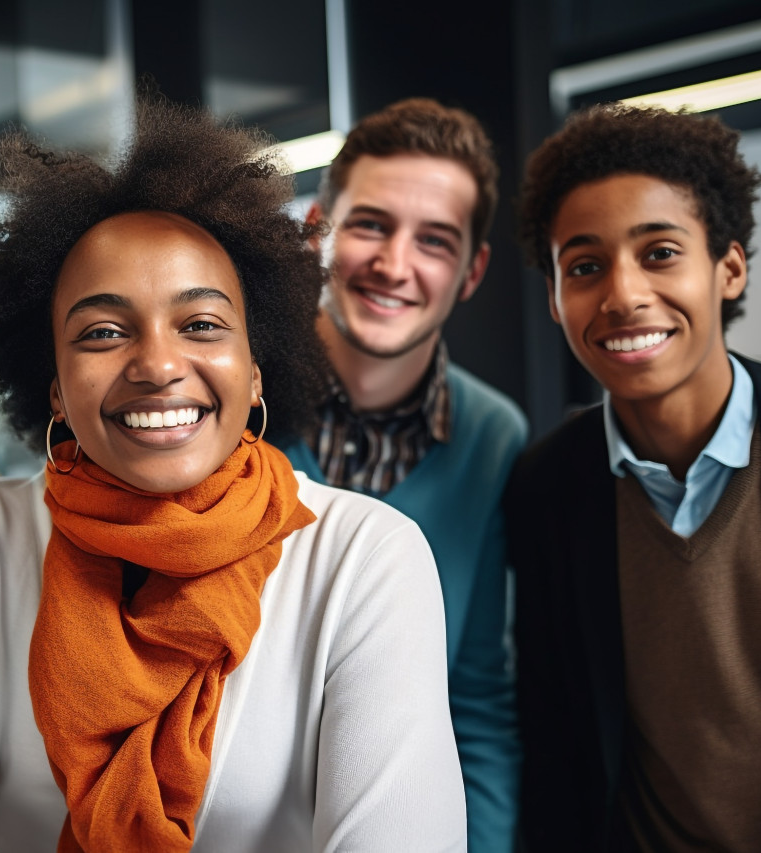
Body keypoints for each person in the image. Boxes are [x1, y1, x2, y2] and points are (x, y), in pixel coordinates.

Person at [0, 99, 466, 852]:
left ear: (256, 370)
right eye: (103, 331)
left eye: (202, 324)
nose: (159, 365)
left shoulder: (365, 557)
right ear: (53, 386)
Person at [508, 103, 761, 851]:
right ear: (553, 298)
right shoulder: (544, 488)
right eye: (584, 266)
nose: (623, 293)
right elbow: (558, 753)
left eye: (660, 252)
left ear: (728, 268)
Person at [278, 97, 526, 851]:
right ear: (318, 229)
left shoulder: (492, 436)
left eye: (435, 241)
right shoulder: (226, 404)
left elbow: (474, 701)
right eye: (370, 225)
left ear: (472, 270)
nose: (393, 265)